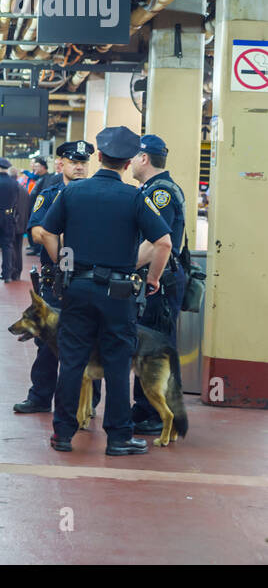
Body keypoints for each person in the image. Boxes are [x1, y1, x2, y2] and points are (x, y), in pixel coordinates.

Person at [38, 126, 173, 456]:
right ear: (128, 164)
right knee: (116, 364)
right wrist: (153, 278)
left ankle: (63, 434)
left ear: (99, 157)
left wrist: (64, 266)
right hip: (119, 293)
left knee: (72, 361)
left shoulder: (71, 193)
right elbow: (164, 243)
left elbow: (47, 233)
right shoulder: (136, 197)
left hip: (77, 288)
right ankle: (118, 438)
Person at [14, 140, 93, 414]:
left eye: (84, 163)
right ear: (61, 164)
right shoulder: (49, 194)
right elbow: (36, 230)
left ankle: (87, 403)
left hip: (87, 280)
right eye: (74, 162)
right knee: (48, 342)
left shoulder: (96, 194)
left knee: (87, 341)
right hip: (55, 282)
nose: (80, 167)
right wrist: (61, 244)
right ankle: (39, 397)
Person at [129, 133, 187, 436]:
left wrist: (126, 264)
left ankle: (154, 414)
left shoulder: (159, 192)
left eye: (133, 157)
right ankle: (145, 409)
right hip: (160, 281)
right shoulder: (153, 188)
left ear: (143, 158)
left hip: (160, 282)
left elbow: (157, 242)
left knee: (154, 347)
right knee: (149, 344)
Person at [10, 164, 30, 281]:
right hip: (23, 223)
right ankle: (18, 272)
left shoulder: (11, 190)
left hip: (13, 222)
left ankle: (12, 271)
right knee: (18, 248)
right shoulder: (24, 190)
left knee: (11, 247)